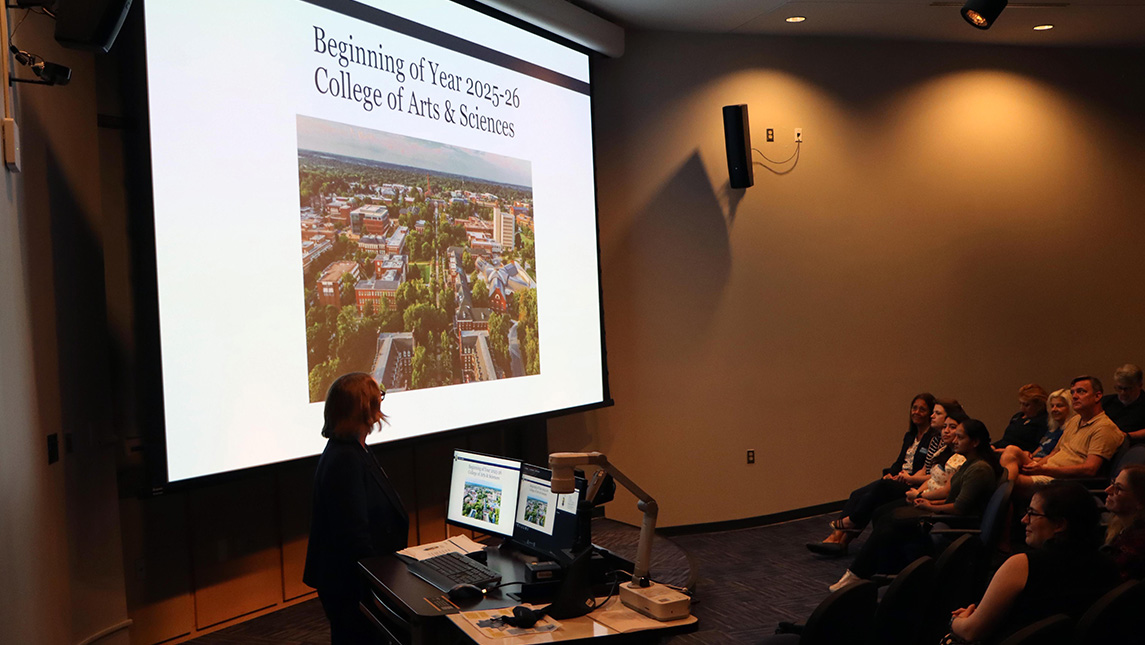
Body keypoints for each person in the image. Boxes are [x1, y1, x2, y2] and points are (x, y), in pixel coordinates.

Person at [830, 418, 1001, 590]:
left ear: (975, 442)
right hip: (947, 517)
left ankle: (857, 574)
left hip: (954, 523)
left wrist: (931, 507)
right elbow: (954, 498)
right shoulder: (969, 463)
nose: (954, 441)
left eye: (960, 437)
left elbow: (959, 508)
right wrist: (928, 501)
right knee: (886, 516)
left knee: (890, 522)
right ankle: (865, 573)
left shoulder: (979, 469)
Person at [304, 373, 409, 645]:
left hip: (354, 580)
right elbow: (354, 536)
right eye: (378, 398)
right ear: (365, 409)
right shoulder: (345, 461)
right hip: (351, 586)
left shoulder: (352, 450)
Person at [946, 481, 1119, 644]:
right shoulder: (1110, 566)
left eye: (1032, 514)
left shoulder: (1022, 565)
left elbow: (971, 631)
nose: (1024, 520)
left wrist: (956, 620)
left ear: (1059, 524)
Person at [807, 393, 939, 556]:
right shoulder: (910, 436)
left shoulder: (932, 439)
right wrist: (891, 474)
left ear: (930, 414)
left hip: (913, 482)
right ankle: (837, 540)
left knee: (876, 494)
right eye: (914, 408)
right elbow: (899, 461)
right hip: (897, 479)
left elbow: (925, 469)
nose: (917, 412)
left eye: (922, 409)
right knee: (857, 494)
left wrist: (902, 477)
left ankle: (841, 537)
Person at [1009, 376, 1124, 498]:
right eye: (1073, 392)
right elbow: (1055, 451)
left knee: (1007, 483)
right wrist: (1036, 466)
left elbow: (1090, 469)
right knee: (1011, 451)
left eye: (1081, 391)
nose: (1074, 396)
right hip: (1048, 470)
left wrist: (1043, 471)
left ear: (1097, 396)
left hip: (1061, 481)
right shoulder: (1075, 420)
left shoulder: (1104, 428)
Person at [998, 388, 1075, 484]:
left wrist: (1037, 465)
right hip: (1036, 460)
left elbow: (1056, 453)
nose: (1054, 409)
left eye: (1059, 406)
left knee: (1011, 450)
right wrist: (1030, 455)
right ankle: (1002, 490)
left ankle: (1002, 490)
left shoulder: (1070, 430)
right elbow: (1040, 448)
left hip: (1046, 466)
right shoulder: (1053, 430)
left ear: (1070, 407)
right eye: (1052, 406)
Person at [907, 406, 969, 504]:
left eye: (952, 427)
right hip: (925, 495)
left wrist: (919, 496)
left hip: (934, 503)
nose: (946, 431)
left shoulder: (960, 458)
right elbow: (932, 479)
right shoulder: (942, 450)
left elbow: (948, 493)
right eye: (944, 427)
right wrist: (917, 493)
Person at [1103, 464, 1145, 581]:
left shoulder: (1135, 546)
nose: (1108, 490)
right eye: (1113, 484)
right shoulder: (1121, 529)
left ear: (1140, 501)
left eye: (1119, 488)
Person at [992, 384, 1049, 452]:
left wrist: (1007, 451)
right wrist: (992, 447)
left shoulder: (1043, 421)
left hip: (1015, 455)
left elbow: (1037, 448)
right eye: (1021, 404)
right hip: (1000, 450)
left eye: (1026, 405)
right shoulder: (1018, 417)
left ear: (1038, 405)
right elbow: (1006, 440)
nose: (1022, 409)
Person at [1103, 363, 1145, 439]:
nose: (1123, 393)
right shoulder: (1106, 402)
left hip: (1135, 443)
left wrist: (1127, 435)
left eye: (1128, 389)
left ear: (1140, 386)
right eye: (1119, 388)